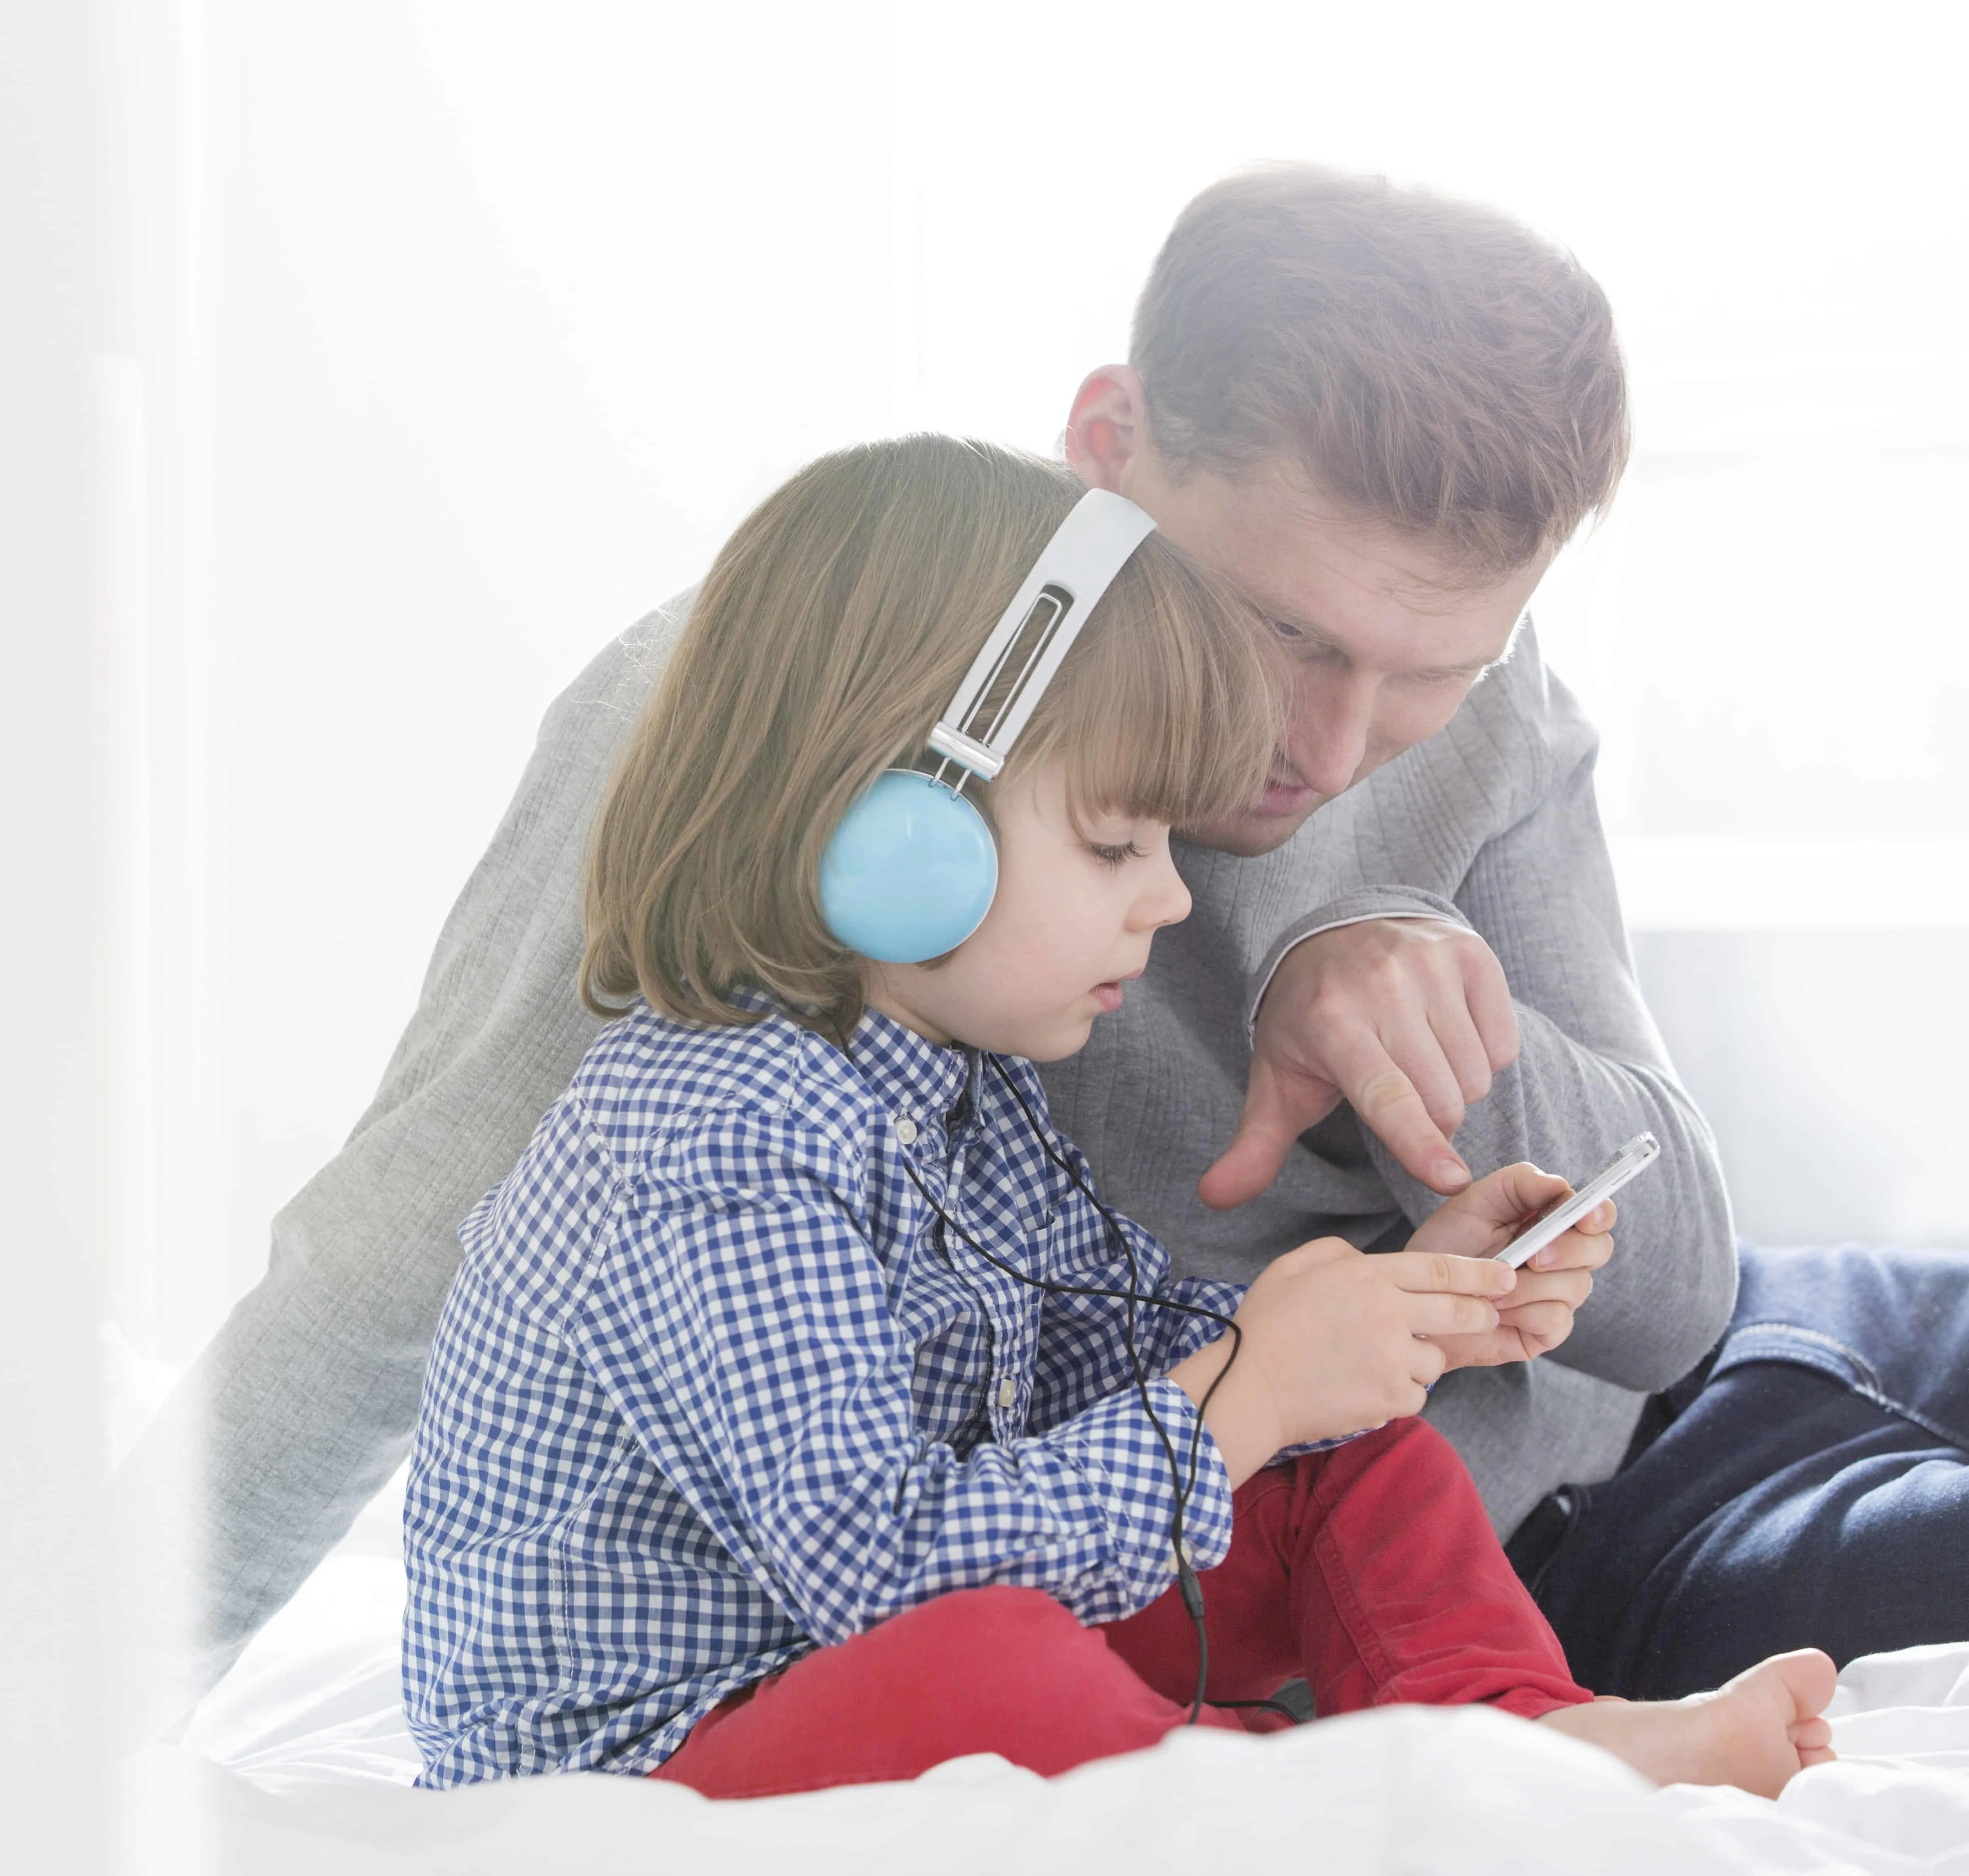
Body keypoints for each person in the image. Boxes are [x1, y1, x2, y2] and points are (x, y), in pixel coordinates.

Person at [116, 163, 1953, 1727]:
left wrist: (1390, 990)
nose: (1327, 754)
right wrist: (23, 1726)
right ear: (1106, 449)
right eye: (1282, 635)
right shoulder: (780, 727)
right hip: (1429, 1568)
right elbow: (391, 1258)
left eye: (1430, 677)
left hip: (1674, 1411)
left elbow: (1679, 1288)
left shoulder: (1478, 708)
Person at [399, 436, 1833, 1797]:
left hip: (867, 1645)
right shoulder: (717, 1133)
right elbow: (881, 1566)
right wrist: (1248, 1389)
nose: (1170, 895)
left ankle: (1519, 1735)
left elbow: (1106, 1345)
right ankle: (1331, 1794)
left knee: (1348, 1461)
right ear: (905, 839)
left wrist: (1376, 1314)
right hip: (662, 1743)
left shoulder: (959, 1083)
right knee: (995, 1662)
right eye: (1114, 842)